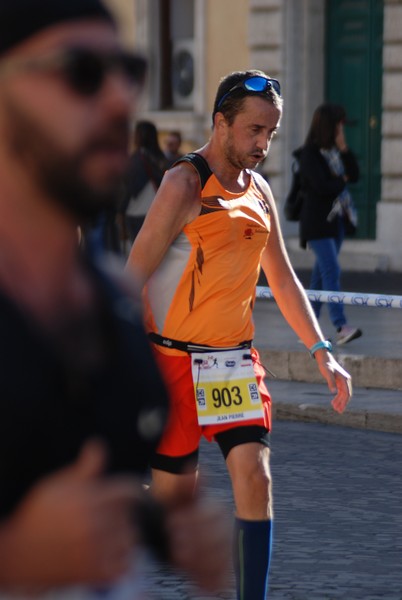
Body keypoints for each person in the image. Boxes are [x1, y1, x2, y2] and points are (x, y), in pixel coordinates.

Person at [0, 0, 230, 595]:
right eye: (81, 72)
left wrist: (159, 529)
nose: (117, 100)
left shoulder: (113, 303)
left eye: (128, 70)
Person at [126, 69, 353, 600]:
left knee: (256, 478)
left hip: (231, 363)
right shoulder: (183, 184)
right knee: (171, 504)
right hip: (172, 364)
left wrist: (322, 351)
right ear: (220, 122)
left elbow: (284, 278)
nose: (262, 144)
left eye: (271, 132)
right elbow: (130, 277)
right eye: (254, 130)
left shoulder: (262, 191)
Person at [298, 103, 362, 345]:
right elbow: (322, 186)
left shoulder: (336, 151)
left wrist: (345, 149)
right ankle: (341, 326)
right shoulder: (310, 154)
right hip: (316, 223)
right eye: (339, 125)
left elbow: (354, 175)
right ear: (329, 126)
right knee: (331, 271)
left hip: (337, 222)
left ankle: (308, 329)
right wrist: (341, 179)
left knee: (319, 279)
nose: (341, 130)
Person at [121, 120, 168, 245]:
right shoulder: (161, 158)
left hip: (135, 212)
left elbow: (127, 189)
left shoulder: (135, 159)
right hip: (157, 212)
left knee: (137, 255)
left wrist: (120, 213)